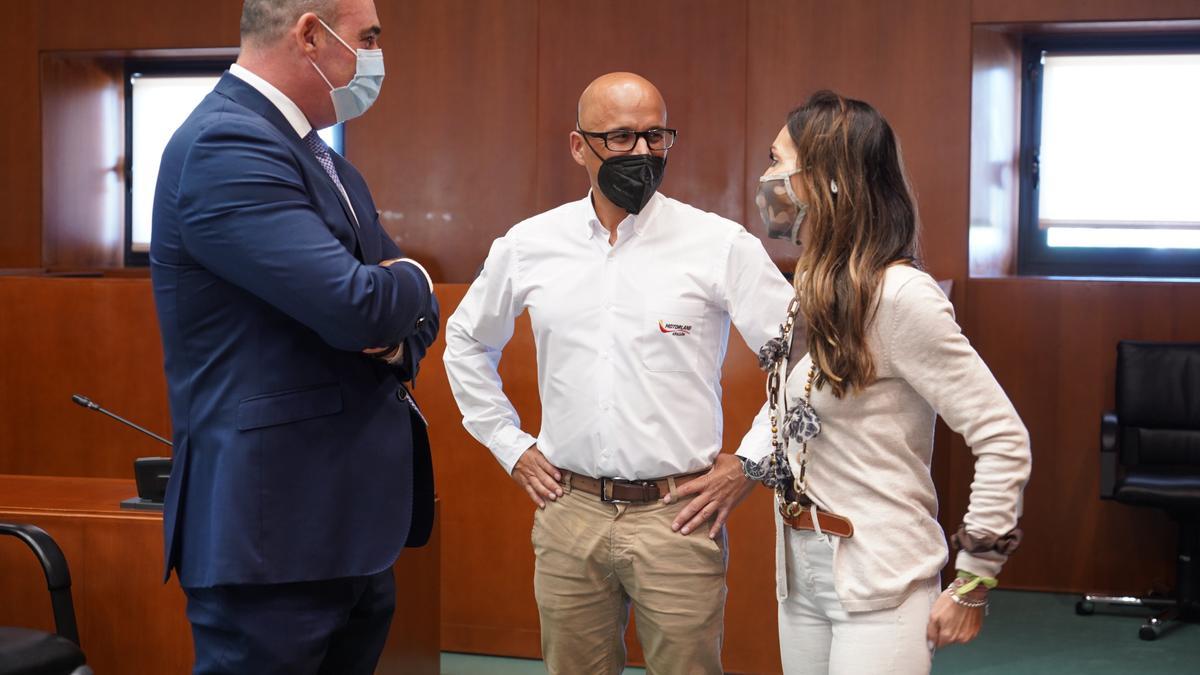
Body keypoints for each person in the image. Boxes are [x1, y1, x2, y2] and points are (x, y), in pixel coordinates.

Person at [442, 72, 794, 674]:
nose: (642, 153)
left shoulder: (718, 243)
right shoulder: (529, 244)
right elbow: (466, 342)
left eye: (656, 137)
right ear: (579, 146)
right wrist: (511, 446)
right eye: (622, 137)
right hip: (569, 512)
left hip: (678, 517)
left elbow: (801, 362)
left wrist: (749, 462)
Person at [149, 0, 439, 672]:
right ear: (311, 34)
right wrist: (417, 279)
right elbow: (360, 305)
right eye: (367, 39)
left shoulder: (321, 157)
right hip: (273, 540)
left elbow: (409, 320)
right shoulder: (227, 144)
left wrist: (400, 315)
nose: (375, 58)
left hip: (347, 530)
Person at [746, 90, 1032, 674]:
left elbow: (1003, 438)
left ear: (825, 180)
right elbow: (790, 413)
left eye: (778, 161)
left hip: (882, 578)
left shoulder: (902, 297)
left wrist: (976, 576)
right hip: (801, 576)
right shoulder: (813, 288)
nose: (766, 179)